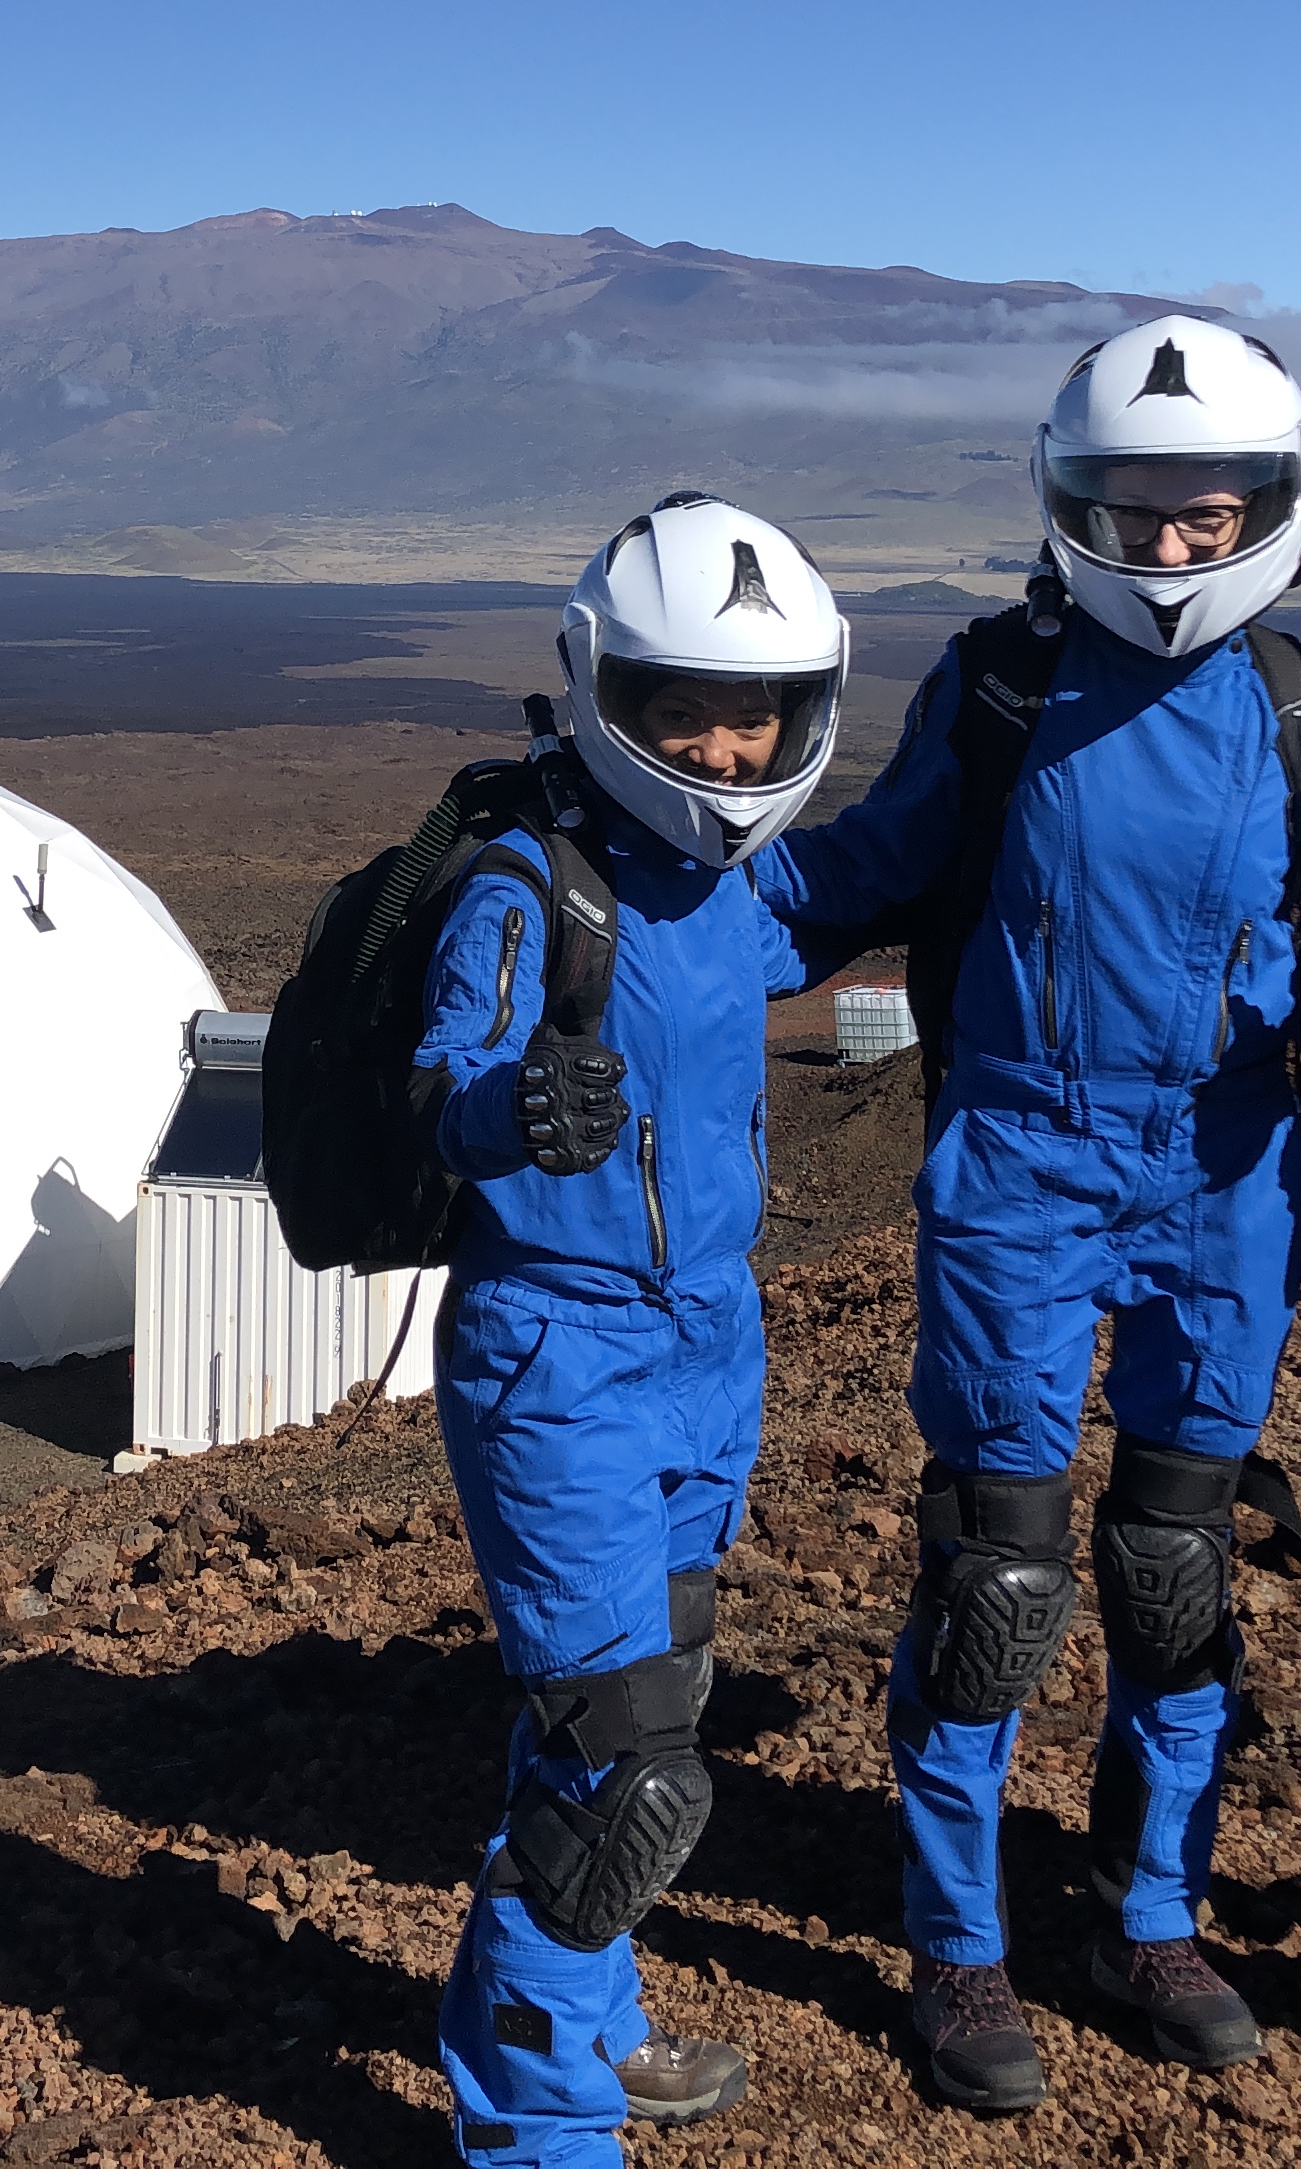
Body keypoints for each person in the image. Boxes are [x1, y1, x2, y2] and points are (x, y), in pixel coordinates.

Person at [754, 319, 1301, 2115]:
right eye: (1133, 509)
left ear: (1274, 507)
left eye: (1209, 511)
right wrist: (648, 907)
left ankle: (1146, 1914)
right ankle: (957, 1950)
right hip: (1027, 1157)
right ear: (1072, 502)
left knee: (1176, 1562)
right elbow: (870, 865)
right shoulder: (1003, 684)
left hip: (1228, 1168)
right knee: (999, 1565)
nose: (1170, 547)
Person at [418, 492, 845, 2165]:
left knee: (637, 1704)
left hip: (705, 1352)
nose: (731, 747)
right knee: (629, 1770)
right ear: (613, 699)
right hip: (561, 1353)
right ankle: (538, 2129)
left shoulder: (731, 889)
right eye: (690, 713)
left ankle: (582, 2035)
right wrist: (515, 1111)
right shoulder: (535, 888)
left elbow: (861, 887)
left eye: (761, 713)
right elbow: (439, 1095)